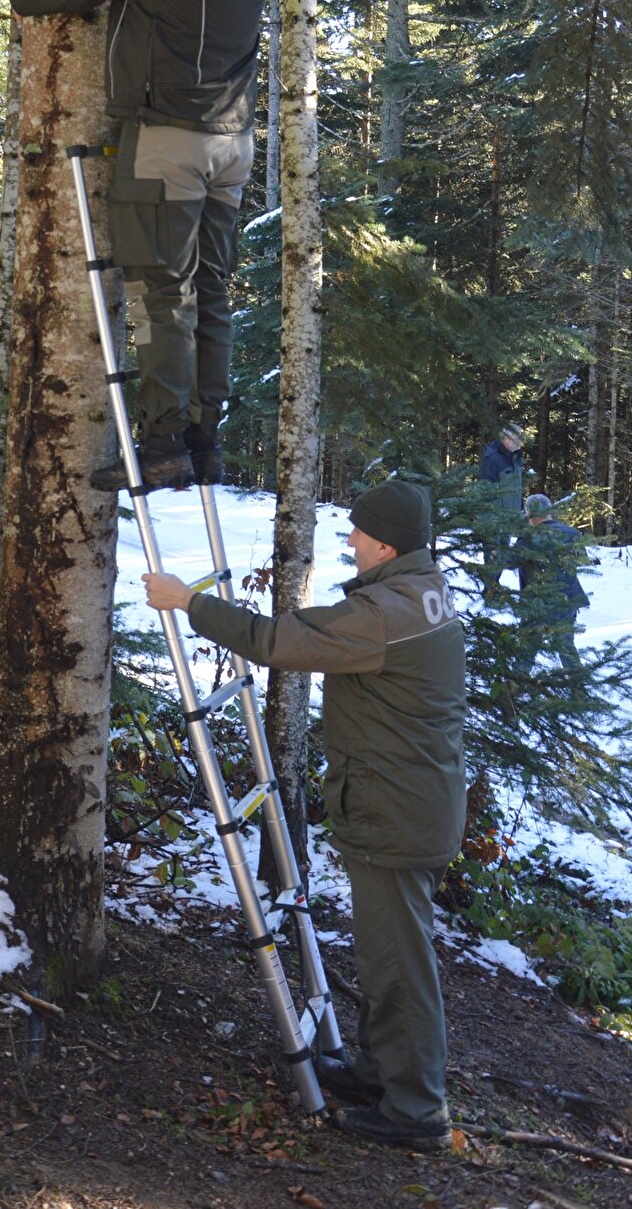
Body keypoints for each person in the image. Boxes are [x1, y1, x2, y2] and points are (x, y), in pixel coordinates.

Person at [143, 479, 464, 1147]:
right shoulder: (422, 589)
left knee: (400, 967)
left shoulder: (386, 614)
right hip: (410, 803)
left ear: (386, 544)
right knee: (386, 954)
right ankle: (380, 1074)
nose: (350, 540)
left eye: (358, 531)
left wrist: (188, 602)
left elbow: (276, 641)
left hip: (395, 812)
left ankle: (417, 1112)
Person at [9, 0, 283, 493]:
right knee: (213, 294)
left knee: (168, 300)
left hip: (168, 141)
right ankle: (202, 440)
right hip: (232, 142)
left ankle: (162, 446)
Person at [513, 492, 590, 675]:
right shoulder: (572, 533)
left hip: (537, 603)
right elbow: (583, 561)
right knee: (566, 648)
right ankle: (578, 687)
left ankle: (514, 685)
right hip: (568, 600)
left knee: (527, 649)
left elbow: (508, 562)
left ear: (529, 513)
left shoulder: (528, 538)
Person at [478, 421, 525, 591]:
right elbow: (486, 491)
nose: (521, 442)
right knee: (493, 554)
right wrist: (495, 517)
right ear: (506, 439)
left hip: (509, 516)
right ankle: (489, 590)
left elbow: (516, 486)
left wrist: (520, 508)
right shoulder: (491, 458)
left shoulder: (516, 457)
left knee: (503, 553)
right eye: (518, 438)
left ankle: (494, 586)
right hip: (494, 519)